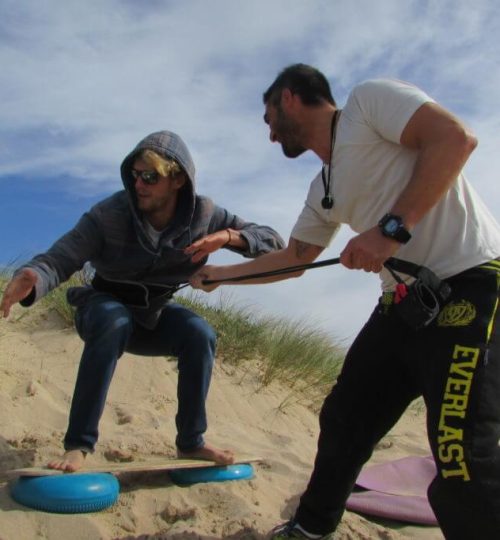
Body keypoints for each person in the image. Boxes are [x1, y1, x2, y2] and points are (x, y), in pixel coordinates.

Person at [190, 64, 500, 539]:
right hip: (403, 305)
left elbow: (455, 140)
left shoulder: (368, 103)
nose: (270, 133)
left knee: (460, 454)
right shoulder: (324, 189)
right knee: (345, 418)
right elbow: (294, 259)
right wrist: (219, 276)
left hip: (472, 284)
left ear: (289, 97)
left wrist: (390, 230)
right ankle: (310, 529)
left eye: (268, 117)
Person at [0, 130, 285, 472]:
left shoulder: (205, 215)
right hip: (101, 309)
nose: (139, 185)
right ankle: (78, 445)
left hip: (152, 318)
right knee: (113, 318)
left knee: (200, 334)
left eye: (150, 176)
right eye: (135, 175)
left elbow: (274, 242)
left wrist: (229, 237)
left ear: (177, 179)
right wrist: (34, 276)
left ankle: (191, 442)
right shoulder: (108, 214)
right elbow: (61, 257)